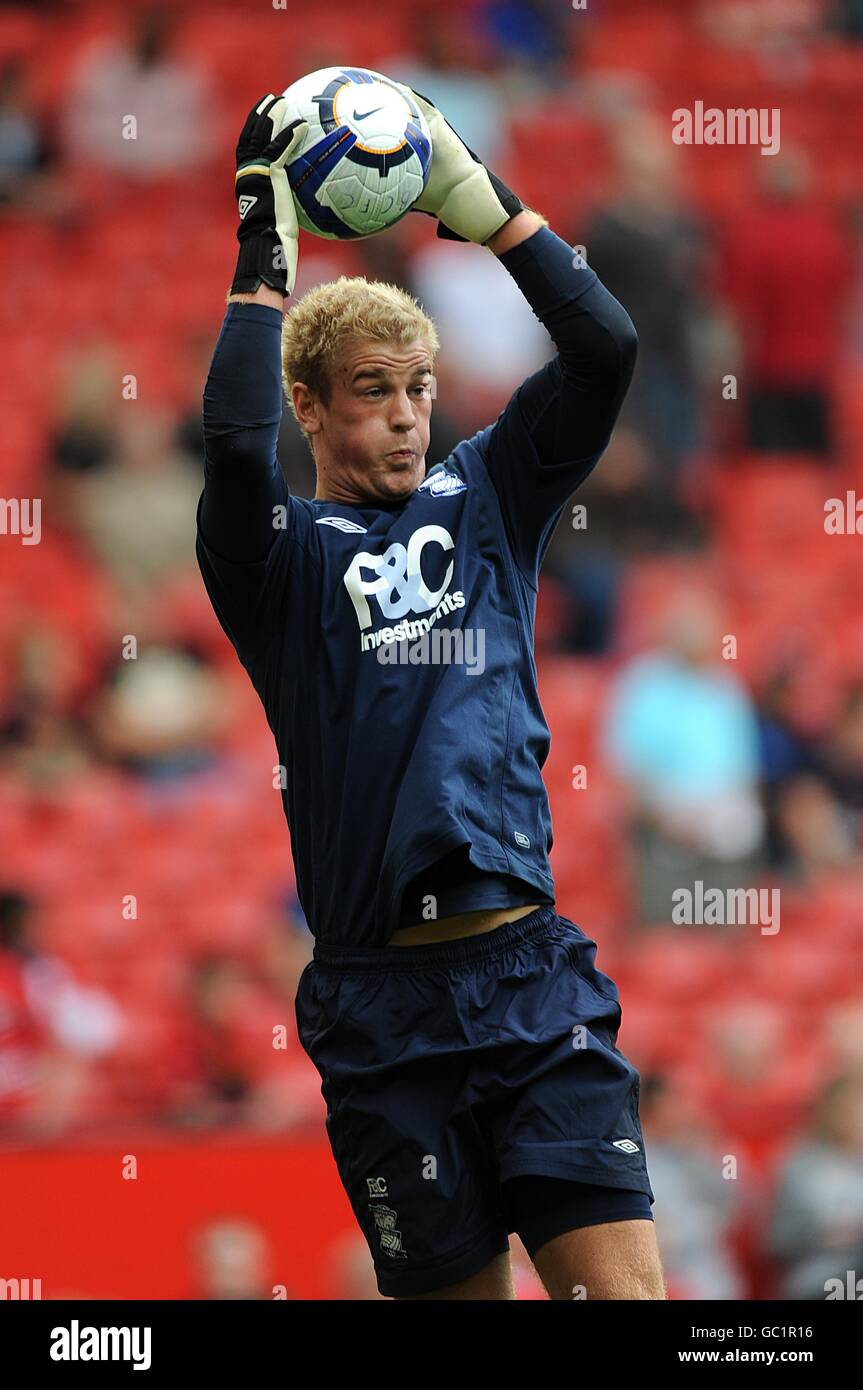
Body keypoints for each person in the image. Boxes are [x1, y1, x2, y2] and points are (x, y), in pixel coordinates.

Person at [195, 87, 665, 1301]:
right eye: (370, 390)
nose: (406, 414)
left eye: (417, 386)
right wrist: (266, 246)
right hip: (378, 1008)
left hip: (528, 980)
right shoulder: (278, 563)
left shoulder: (492, 492)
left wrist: (479, 203)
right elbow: (235, 448)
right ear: (312, 401)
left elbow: (606, 347)